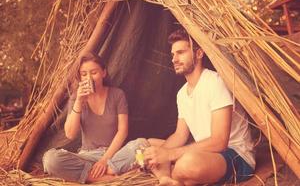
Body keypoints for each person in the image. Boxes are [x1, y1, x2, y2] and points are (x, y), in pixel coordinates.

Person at [144, 29, 255, 186]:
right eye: (173, 54)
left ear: (199, 54)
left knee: (186, 164)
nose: (174, 59)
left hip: (234, 155)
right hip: (205, 154)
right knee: (151, 147)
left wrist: (169, 155)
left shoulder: (215, 82)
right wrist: (159, 154)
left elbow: (219, 142)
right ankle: (166, 179)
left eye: (181, 52)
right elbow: (179, 135)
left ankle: (175, 176)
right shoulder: (181, 94)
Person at [42, 53, 149, 183]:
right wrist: (79, 102)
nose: (89, 78)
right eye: (84, 74)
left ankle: (100, 173)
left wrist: (104, 161)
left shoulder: (117, 95)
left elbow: (123, 131)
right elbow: (70, 134)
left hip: (115, 154)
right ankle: (105, 177)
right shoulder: (76, 98)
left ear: (103, 73)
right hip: (87, 155)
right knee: (50, 160)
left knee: (141, 145)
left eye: (94, 72)